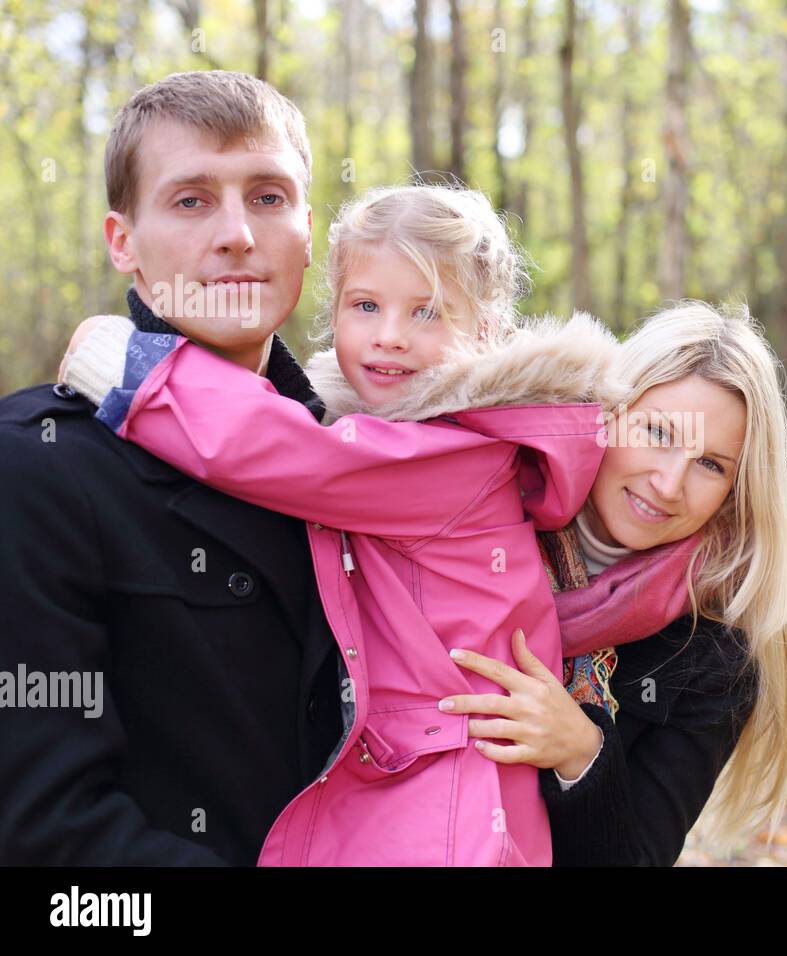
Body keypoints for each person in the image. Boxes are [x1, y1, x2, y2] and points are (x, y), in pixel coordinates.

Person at [59, 183, 622, 866]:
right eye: (365, 306)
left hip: (449, 802)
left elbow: (282, 452)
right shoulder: (430, 434)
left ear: (487, 329)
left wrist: (131, 370)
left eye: (428, 312)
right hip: (425, 775)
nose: (390, 334)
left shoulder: (453, 454)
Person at [0, 70, 344, 865]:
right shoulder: (35, 468)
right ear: (123, 241)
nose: (237, 235)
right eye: (191, 200)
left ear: (307, 230)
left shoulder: (359, 468)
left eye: (267, 197)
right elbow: (45, 842)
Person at [443, 302, 787, 865]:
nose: (668, 484)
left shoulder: (715, 655)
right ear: (610, 413)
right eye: (658, 432)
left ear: (736, 492)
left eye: (710, 465)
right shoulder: (477, 509)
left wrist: (583, 754)